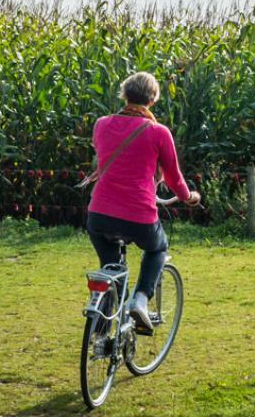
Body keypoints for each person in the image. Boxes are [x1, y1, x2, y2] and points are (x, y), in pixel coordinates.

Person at [86, 72, 201, 334]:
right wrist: (189, 197)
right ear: (152, 99)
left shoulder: (101, 124)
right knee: (157, 248)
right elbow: (173, 177)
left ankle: (102, 332)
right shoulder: (158, 132)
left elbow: (106, 156)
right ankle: (139, 299)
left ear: (124, 95)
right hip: (139, 215)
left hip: (99, 214)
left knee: (111, 268)